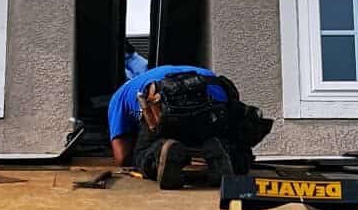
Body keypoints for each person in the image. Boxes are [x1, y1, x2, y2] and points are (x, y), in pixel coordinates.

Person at [109, 65, 266, 189]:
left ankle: (164, 152)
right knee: (223, 139)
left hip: (163, 96)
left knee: (141, 154)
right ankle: (221, 149)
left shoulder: (118, 98)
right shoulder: (154, 74)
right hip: (212, 89)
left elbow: (122, 156)